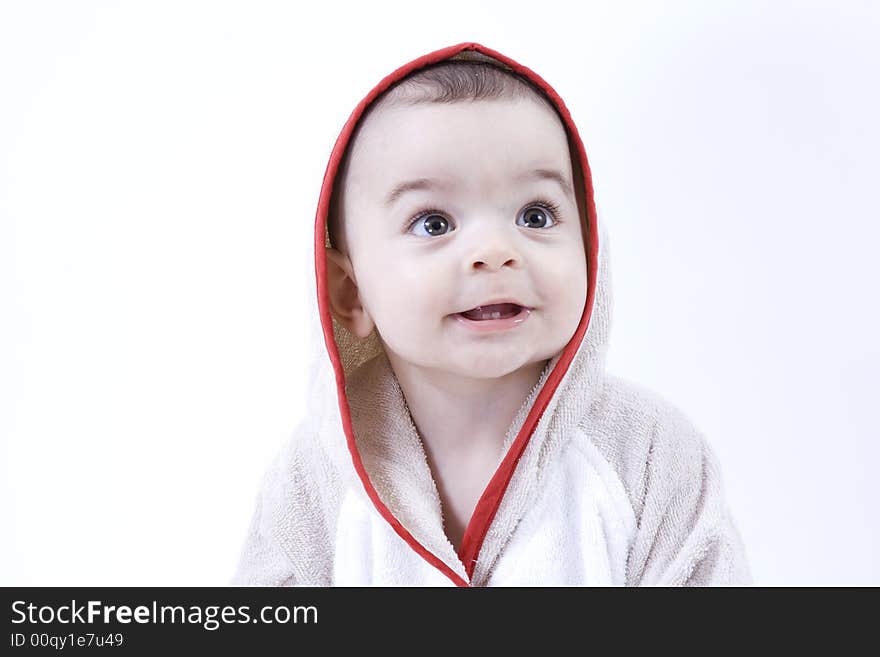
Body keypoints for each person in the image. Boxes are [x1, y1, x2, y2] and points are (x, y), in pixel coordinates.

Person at [231, 41, 753, 586]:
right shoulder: (315, 480)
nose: (496, 249)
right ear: (349, 294)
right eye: (433, 222)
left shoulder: (648, 455)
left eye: (536, 214)